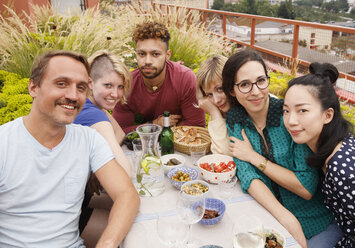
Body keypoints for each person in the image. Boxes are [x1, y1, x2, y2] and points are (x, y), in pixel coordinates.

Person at [0, 50, 140, 247]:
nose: (73, 95)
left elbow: (127, 194)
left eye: (81, 87)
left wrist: (107, 243)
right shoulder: (4, 143)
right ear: (33, 87)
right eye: (61, 84)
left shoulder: (89, 140)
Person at [223, 49, 341, 248]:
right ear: (232, 91)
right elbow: (247, 174)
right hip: (272, 221)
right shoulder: (236, 120)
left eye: (261, 80)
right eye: (244, 84)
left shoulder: (290, 118)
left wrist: (254, 157)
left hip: (318, 223)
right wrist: (284, 216)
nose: (256, 91)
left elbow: (306, 187)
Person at [283, 62, 355, 248]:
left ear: (328, 115)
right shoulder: (332, 142)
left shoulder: (342, 167)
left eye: (302, 110)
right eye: (286, 110)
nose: (291, 121)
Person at [73, 50, 134, 246]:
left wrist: (95, 165)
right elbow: (126, 172)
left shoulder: (88, 106)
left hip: (75, 196)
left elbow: (119, 134)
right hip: (66, 216)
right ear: (90, 83)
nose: (115, 94)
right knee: (133, 228)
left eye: (120, 87)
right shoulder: (94, 116)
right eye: (107, 85)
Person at [113, 21, 205, 133]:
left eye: (155, 54)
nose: (147, 61)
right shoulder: (127, 84)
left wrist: (160, 129)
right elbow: (120, 131)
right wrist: (154, 125)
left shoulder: (185, 78)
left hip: (178, 146)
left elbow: (196, 126)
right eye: (142, 54)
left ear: (167, 55)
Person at [196, 55, 231, 155]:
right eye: (209, 94)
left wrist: (214, 112)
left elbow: (223, 154)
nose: (216, 100)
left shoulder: (248, 107)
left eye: (220, 89)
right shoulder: (219, 108)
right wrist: (215, 112)